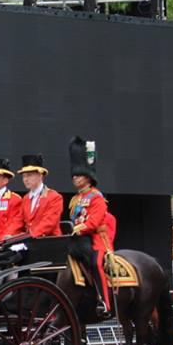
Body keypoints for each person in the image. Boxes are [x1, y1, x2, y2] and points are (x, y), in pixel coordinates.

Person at [67, 136, 111, 318]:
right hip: (77, 240)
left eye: (79, 175)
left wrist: (79, 228)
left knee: (95, 263)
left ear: (88, 177)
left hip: (95, 241)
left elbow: (94, 222)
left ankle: (104, 301)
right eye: (74, 175)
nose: (75, 178)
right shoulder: (75, 200)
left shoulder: (97, 197)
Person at [17, 154, 63, 238]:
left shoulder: (54, 197)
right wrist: (9, 235)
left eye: (29, 175)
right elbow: (18, 221)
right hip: (31, 242)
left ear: (40, 175)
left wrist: (28, 236)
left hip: (49, 242)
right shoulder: (25, 198)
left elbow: (48, 223)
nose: (25, 179)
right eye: (23, 176)